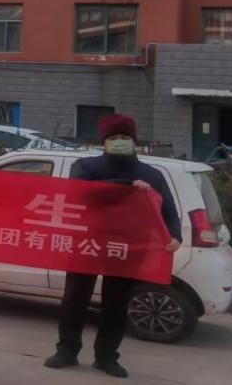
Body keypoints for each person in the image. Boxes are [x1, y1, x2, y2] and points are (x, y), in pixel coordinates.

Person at [44, 114, 182, 378]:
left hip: (127, 246)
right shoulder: (85, 167)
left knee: (116, 304)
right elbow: (82, 191)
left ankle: (106, 357)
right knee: (74, 299)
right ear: (103, 142)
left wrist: (175, 236)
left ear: (134, 141)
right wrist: (127, 186)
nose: (120, 141)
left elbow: (168, 209)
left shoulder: (151, 175)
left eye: (125, 137)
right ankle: (67, 350)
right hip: (87, 243)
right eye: (114, 137)